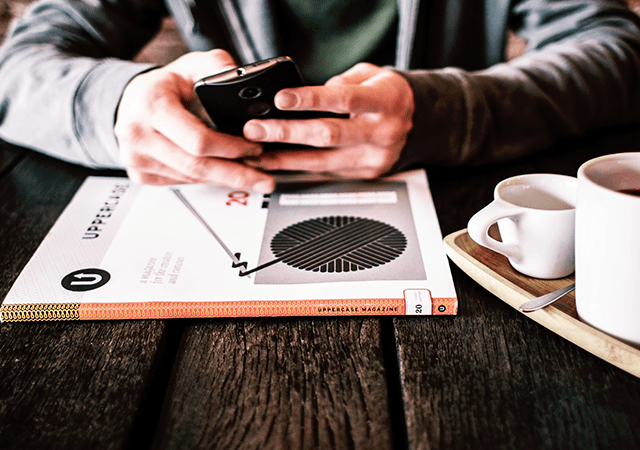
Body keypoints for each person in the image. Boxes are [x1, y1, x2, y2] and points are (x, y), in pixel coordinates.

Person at [0, 0, 639, 194]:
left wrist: (444, 113)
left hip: (467, 218)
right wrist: (116, 106)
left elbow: (617, 47)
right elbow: (16, 66)